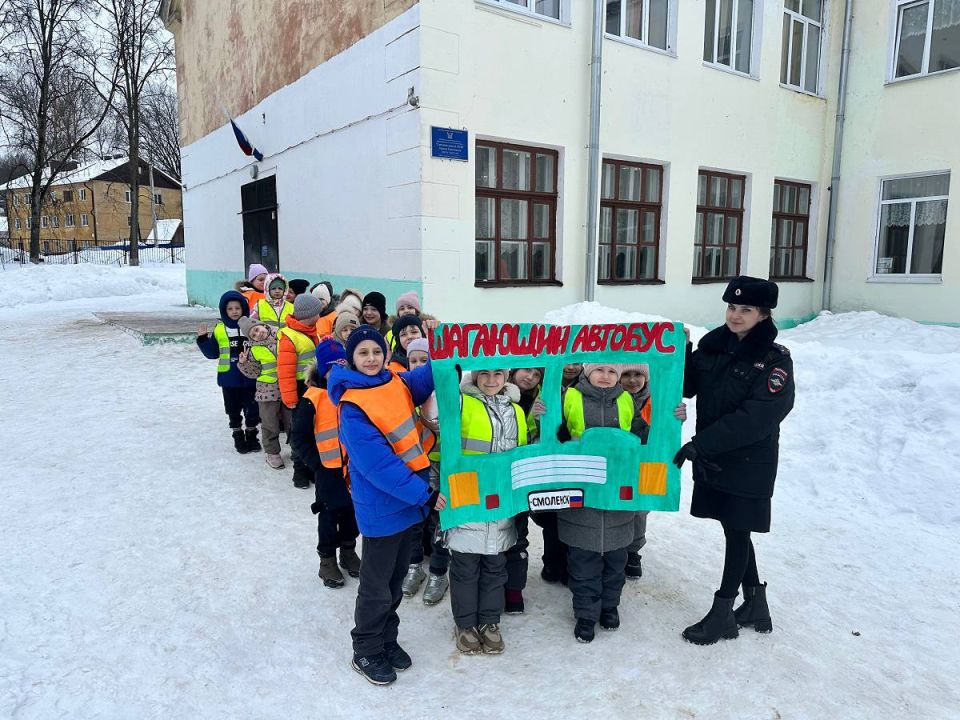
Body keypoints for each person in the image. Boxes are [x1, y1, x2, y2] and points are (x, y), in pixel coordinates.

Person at [676, 276, 794, 645]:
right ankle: (756, 605)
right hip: (715, 457)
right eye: (731, 307)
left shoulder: (774, 360)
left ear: (763, 315)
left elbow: (757, 417)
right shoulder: (714, 347)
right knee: (734, 527)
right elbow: (686, 386)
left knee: (738, 530)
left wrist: (701, 445)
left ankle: (723, 613)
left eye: (746, 309)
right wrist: (682, 350)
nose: (735, 315)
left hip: (748, 460)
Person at [328, 325, 446, 686]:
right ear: (351, 358)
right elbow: (378, 465)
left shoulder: (394, 381)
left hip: (408, 504)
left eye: (377, 351)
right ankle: (365, 648)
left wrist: (445, 344)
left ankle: (386, 639)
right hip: (382, 508)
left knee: (394, 582)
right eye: (363, 353)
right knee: (376, 585)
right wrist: (424, 494)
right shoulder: (352, 406)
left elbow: (427, 376)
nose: (371, 359)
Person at [557, 363, 642, 643]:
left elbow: (642, 435)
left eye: (611, 371)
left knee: (617, 559)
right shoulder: (570, 396)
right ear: (587, 372)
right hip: (582, 490)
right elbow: (554, 434)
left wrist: (673, 417)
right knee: (583, 560)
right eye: (599, 370)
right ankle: (586, 614)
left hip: (617, 492)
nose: (605, 376)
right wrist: (543, 417)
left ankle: (609, 606)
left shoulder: (626, 400)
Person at [445, 369, 526, 655]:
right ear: (475, 376)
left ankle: (489, 621)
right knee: (465, 566)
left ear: (506, 377)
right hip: (468, 498)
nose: (491, 380)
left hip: (502, 502)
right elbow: (442, 442)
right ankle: (465, 624)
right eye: (485, 374)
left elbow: (521, 455)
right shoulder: (461, 402)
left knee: (495, 565)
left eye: (498, 374)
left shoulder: (517, 410)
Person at [290, 340, 362, 588]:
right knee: (330, 515)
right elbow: (298, 437)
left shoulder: (353, 392)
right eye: (332, 368)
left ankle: (348, 551)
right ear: (322, 371)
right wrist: (316, 463)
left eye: (342, 366)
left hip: (354, 468)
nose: (337, 373)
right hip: (328, 470)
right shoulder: (312, 398)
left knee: (353, 512)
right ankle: (327, 559)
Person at [195, 290, 260, 453]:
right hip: (229, 379)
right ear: (224, 311)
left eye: (237, 308)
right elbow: (212, 353)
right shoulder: (220, 329)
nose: (234, 311)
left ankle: (252, 434)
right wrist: (203, 339)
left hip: (251, 377)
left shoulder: (252, 326)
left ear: (243, 308)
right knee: (233, 409)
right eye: (230, 309)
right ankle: (238, 435)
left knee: (253, 409)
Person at [278, 293, 323, 489]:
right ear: (309, 315)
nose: (320, 316)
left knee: (313, 429)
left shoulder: (313, 331)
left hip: (313, 388)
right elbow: (285, 371)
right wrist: (290, 399)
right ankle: (299, 470)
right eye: (318, 313)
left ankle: (310, 466)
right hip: (298, 390)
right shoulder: (289, 337)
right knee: (299, 431)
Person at [237, 317, 288, 469]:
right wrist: (244, 363)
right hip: (267, 391)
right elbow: (254, 373)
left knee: (292, 421)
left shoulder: (282, 337)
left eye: (258, 329)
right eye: (253, 334)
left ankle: (298, 450)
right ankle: (272, 452)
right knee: (269, 423)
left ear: (264, 326)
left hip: (288, 387)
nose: (258, 334)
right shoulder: (253, 350)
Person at [620, 363, 652, 579]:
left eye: (638, 374)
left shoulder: (655, 400)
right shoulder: (613, 397)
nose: (632, 380)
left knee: (640, 509)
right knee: (618, 504)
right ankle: (615, 547)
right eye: (626, 375)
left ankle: (633, 551)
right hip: (619, 460)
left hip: (645, 461)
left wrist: (676, 415)